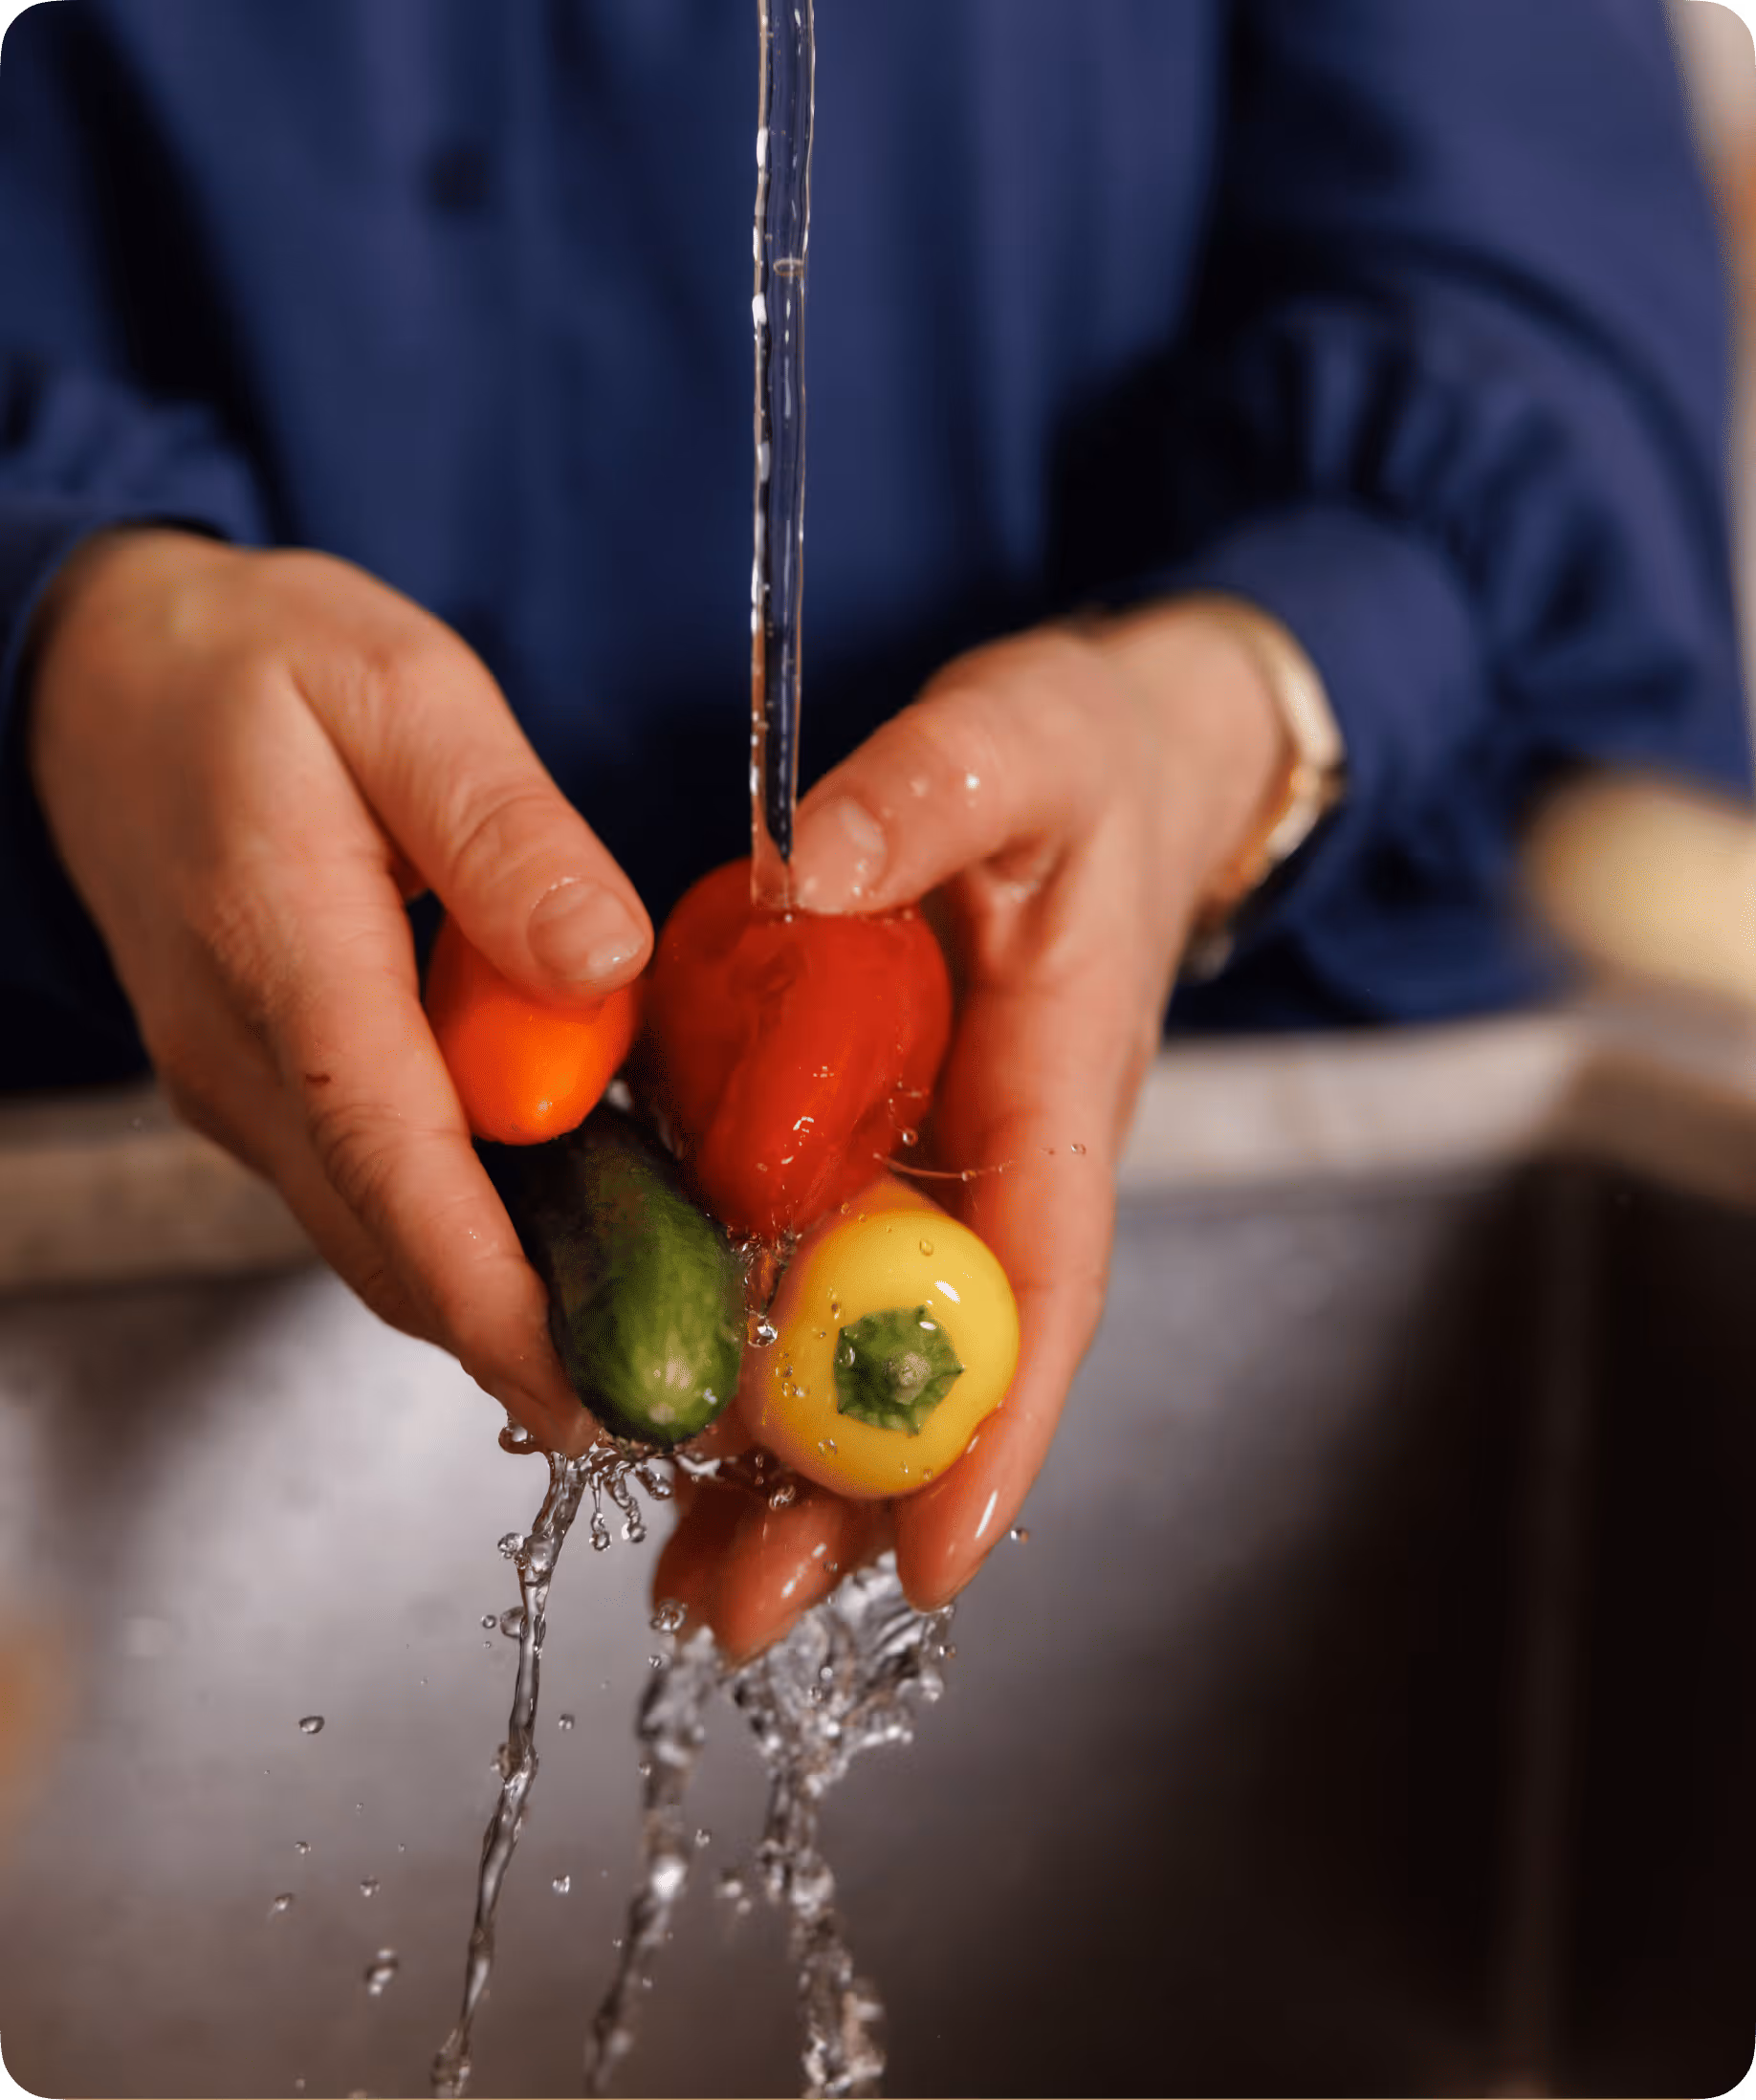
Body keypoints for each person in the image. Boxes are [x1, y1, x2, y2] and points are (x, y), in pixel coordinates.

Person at [1, 1, 1748, 1654]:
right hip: (92, 1163)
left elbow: (1548, 334)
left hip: (1171, 1163)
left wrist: (1239, 697)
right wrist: (67, 637)